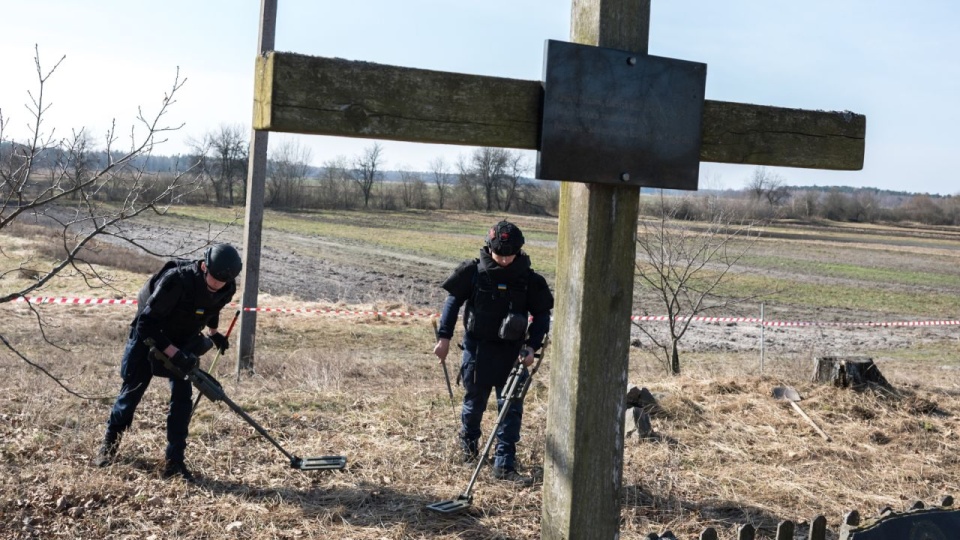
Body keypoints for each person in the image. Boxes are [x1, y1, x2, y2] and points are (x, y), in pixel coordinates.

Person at [94, 243, 242, 480]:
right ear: (204, 266)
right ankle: (108, 448)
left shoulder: (226, 286)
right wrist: (174, 353)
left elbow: (212, 307)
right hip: (149, 335)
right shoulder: (176, 281)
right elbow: (146, 324)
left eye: (222, 283)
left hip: (183, 337)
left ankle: (174, 462)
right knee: (131, 392)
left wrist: (214, 333)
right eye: (213, 279)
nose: (217, 286)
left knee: (183, 399)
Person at [433, 221, 553, 485]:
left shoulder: (530, 280)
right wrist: (444, 338)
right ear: (490, 248)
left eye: (511, 255)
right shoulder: (472, 273)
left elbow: (542, 315)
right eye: (500, 255)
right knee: (474, 402)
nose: (506, 260)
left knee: (509, 408)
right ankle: (468, 449)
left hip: (514, 354)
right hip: (477, 349)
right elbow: (453, 303)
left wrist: (532, 346)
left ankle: (504, 465)